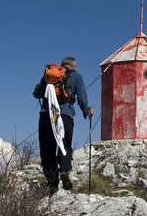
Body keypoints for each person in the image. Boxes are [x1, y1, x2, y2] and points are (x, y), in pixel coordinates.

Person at [33, 57, 94, 195]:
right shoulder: (76, 77)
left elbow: (36, 93)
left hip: (46, 114)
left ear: (62, 65)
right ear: (73, 66)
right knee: (65, 144)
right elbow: (82, 97)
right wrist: (86, 111)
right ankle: (65, 170)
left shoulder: (50, 75)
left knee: (47, 147)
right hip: (65, 115)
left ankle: (52, 183)